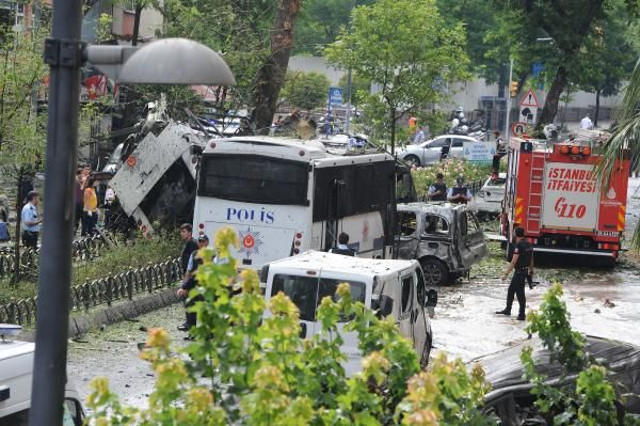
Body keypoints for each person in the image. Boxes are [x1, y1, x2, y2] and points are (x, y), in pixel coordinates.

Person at [496, 227, 533, 320]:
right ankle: (508, 309)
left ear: (516, 234)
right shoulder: (529, 243)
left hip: (519, 272)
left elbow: (513, 262)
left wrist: (506, 274)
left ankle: (521, 314)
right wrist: (531, 269)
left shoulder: (519, 245)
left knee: (520, 293)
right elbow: (532, 258)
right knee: (511, 290)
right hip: (524, 271)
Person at [177, 234, 209, 333]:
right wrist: (185, 285)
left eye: (203, 241)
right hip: (193, 283)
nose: (201, 243)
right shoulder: (194, 253)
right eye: (199, 241)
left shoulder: (211, 255)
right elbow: (189, 270)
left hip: (205, 285)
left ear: (207, 242)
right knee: (190, 305)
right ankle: (190, 327)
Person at [74, 168, 84, 233]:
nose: (83, 175)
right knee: (76, 219)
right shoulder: (75, 181)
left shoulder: (82, 182)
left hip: (81, 203)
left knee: (81, 219)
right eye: (82, 174)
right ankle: (74, 231)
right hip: (76, 203)